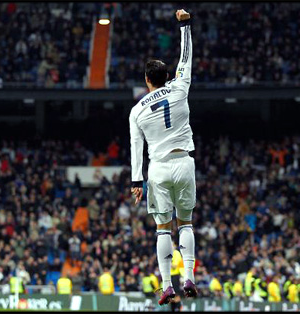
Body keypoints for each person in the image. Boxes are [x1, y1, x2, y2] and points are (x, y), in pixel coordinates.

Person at [129, 8, 196, 306]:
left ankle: (167, 285)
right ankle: (190, 276)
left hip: (157, 169)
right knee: (186, 223)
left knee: (162, 228)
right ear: (167, 76)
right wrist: (185, 26)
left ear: (147, 80)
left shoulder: (137, 110)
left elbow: (135, 147)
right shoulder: (180, 87)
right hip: (184, 162)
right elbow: (186, 59)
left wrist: (136, 181)